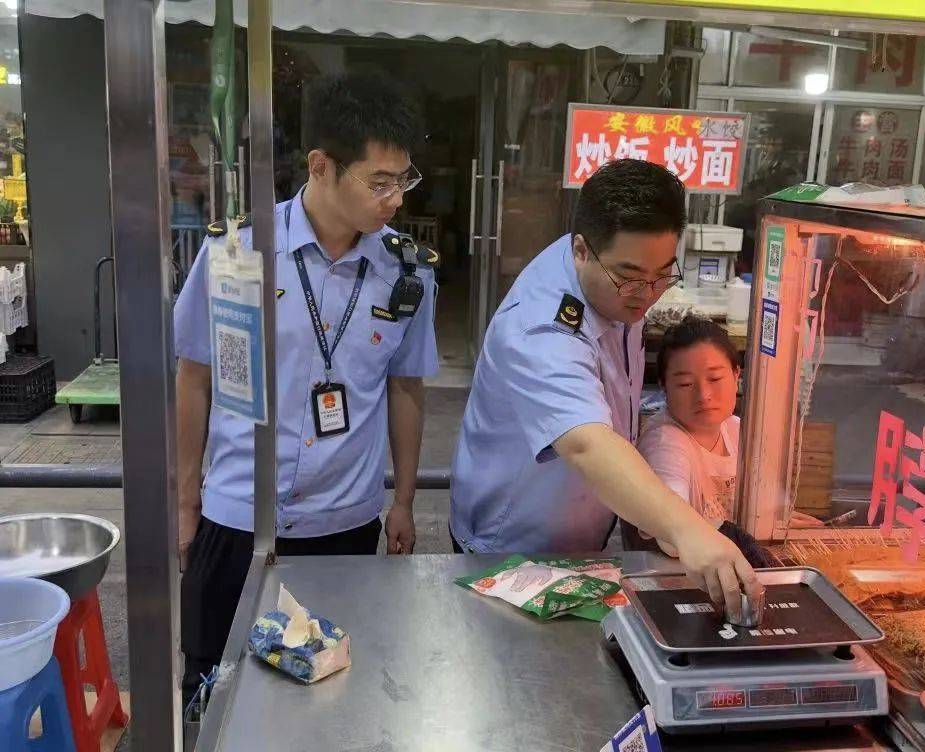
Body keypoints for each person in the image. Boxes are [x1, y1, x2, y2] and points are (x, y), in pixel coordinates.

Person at [173, 72, 438, 702]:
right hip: (237, 512)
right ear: (321, 166)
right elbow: (195, 376)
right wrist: (185, 502)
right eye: (379, 182)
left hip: (343, 521)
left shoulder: (407, 273)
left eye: (404, 180)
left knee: (326, 691)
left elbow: (405, 388)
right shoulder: (239, 253)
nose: (395, 199)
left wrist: (403, 500)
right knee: (213, 684)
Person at [450, 159, 762, 621]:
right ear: (580, 250)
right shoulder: (541, 326)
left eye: (662, 274)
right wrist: (688, 530)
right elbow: (586, 442)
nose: (646, 293)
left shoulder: (610, 273)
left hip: (582, 527)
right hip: (513, 545)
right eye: (630, 276)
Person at [634, 316, 822, 566]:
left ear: (736, 375)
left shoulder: (738, 430)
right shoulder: (664, 442)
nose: (704, 395)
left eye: (714, 378)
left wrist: (781, 523)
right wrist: (744, 534)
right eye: (685, 384)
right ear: (664, 387)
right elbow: (670, 534)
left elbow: (769, 510)